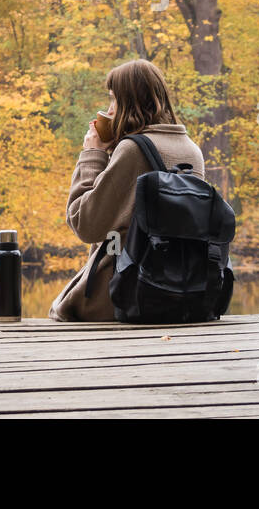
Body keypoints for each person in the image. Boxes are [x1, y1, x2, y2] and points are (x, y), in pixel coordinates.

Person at [48, 58, 206, 322]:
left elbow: (84, 223)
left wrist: (93, 153)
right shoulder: (191, 149)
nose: (109, 109)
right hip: (181, 290)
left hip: (127, 291)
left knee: (60, 309)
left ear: (129, 102)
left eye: (113, 100)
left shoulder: (132, 150)